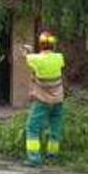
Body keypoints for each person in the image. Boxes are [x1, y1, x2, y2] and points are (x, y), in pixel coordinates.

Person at [24, 30, 65, 167]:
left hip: (42, 100)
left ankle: (34, 158)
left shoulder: (35, 59)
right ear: (53, 45)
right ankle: (52, 156)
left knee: (32, 127)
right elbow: (52, 60)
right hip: (58, 100)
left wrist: (28, 51)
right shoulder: (59, 57)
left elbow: (28, 57)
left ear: (40, 45)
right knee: (55, 128)